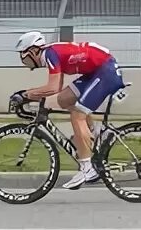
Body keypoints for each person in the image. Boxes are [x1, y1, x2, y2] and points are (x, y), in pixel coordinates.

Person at [13, 31, 125, 189]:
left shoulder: (50, 54)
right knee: (64, 99)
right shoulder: (51, 53)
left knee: (77, 116)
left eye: (22, 54)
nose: (22, 59)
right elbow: (57, 89)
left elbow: (52, 88)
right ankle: (96, 133)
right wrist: (29, 96)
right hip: (95, 72)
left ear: (32, 51)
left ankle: (88, 168)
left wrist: (25, 95)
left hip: (105, 72)